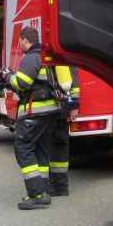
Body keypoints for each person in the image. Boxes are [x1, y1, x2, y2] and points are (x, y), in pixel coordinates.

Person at [0, 26, 59, 210]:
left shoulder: (32, 57)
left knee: (23, 147)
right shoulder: (45, 55)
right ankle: (44, 187)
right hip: (50, 110)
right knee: (40, 148)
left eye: (20, 41)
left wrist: (8, 76)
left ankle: (37, 194)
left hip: (36, 111)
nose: (19, 44)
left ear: (25, 40)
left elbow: (22, 83)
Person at [45, 64, 78, 196]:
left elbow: (74, 86)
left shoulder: (51, 60)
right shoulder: (66, 61)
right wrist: (74, 106)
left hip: (51, 109)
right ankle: (60, 185)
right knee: (59, 146)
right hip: (62, 108)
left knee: (50, 146)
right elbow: (74, 85)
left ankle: (53, 185)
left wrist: (74, 106)